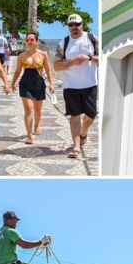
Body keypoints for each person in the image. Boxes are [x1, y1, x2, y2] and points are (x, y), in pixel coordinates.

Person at [54, 14, 98, 159]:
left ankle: (84, 131)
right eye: (71, 25)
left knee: (91, 116)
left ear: (82, 25)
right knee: (74, 115)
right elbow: (56, 65)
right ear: (68, 27)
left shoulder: (92, 38)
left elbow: (102, 57)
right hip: (70, 85)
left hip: (90, 84)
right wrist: (72, 62)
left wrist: (89, 57)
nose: (74, 28)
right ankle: (76, 146)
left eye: (76, 24)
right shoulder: (63, 43)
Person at [11, 32, 54, 145]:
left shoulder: (43, 54)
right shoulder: (22, 56)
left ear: (37, 42)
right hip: (25, 84)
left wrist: (52, 84)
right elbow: (17, 71)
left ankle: (37, 126)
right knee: (28, 110)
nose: (29, 42)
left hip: (39, 84)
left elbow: (49, 70)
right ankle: (29, 135)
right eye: (27, 40)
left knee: (37, 110)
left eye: (31, 40)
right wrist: (12, 83)